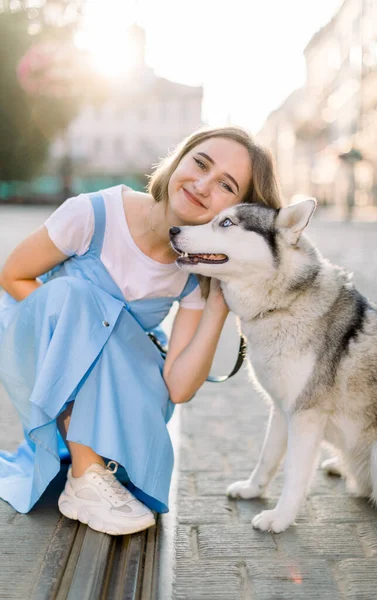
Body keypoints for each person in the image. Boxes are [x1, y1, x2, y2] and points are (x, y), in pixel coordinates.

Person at [0, 126, 282, 536]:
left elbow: (179, 387)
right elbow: (13, 275)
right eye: (200, 163)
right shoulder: (93, 215)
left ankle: (101, 461)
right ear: (179, 160)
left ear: (237, 212)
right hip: (45, 346)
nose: (202, 185)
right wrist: (85, 335)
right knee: (79, 301)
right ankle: (85, 476)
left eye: (226, 185)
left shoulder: (191, 272)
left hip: (112, 377)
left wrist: (220, 298)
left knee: (145, 360)